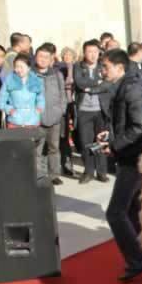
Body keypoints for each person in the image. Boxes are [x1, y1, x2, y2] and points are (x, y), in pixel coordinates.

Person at [95, 49, 142, 283]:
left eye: (106, 67)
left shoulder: (131, 89)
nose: (102, 70)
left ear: (120, 68)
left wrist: (116, 145)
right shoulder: (123, 87)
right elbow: (128, 122)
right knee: (131, 210)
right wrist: (111, 136)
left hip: (134, 159)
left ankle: (137, 260)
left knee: (115, 212)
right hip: (130, 155)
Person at [74, 39, 111, 183]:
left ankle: (102, 172)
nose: (93, 54)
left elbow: (107, 83)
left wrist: (91, 87)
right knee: (85, 142)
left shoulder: (103, 66)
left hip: (100, 110)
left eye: (95, 51)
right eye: (89, 51)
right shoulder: (79, 66)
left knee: (101, 141)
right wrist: (97, 83)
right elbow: (79, 83)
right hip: (84, 110)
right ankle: (88, 171)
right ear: (84, 53)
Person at [33, 45, 66, 185]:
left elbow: (62, 95)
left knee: (54, 148)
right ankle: (38, 174)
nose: (43, 60)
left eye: (46, 57)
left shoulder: (57, 75)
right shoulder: (30, 75)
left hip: (55, 118)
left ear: (51, 59)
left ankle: (54, 174)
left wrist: (61, 110)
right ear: (35, 57)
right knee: (37, 149)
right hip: (37, 119)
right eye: (40, 56)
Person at [0, 53, 44, 131]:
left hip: (32, 121)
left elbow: (41, 99)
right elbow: (0, 100)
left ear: (28, 68)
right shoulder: (9, 80)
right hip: (15, 122)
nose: (18, 70)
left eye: (21, 67)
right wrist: (10, 110)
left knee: (31, 143)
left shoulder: (36, 81)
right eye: (16, 67)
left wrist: (38, 110)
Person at [57, 47, 77, 177]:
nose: (67, 57)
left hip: (74, 104)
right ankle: (65, 164)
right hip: (63, 105)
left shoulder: (77, 68)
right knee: (63, 135)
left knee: (74, 132)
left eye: (70, 55)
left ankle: (69, 162)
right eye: (65, 55)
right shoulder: (58, 68)